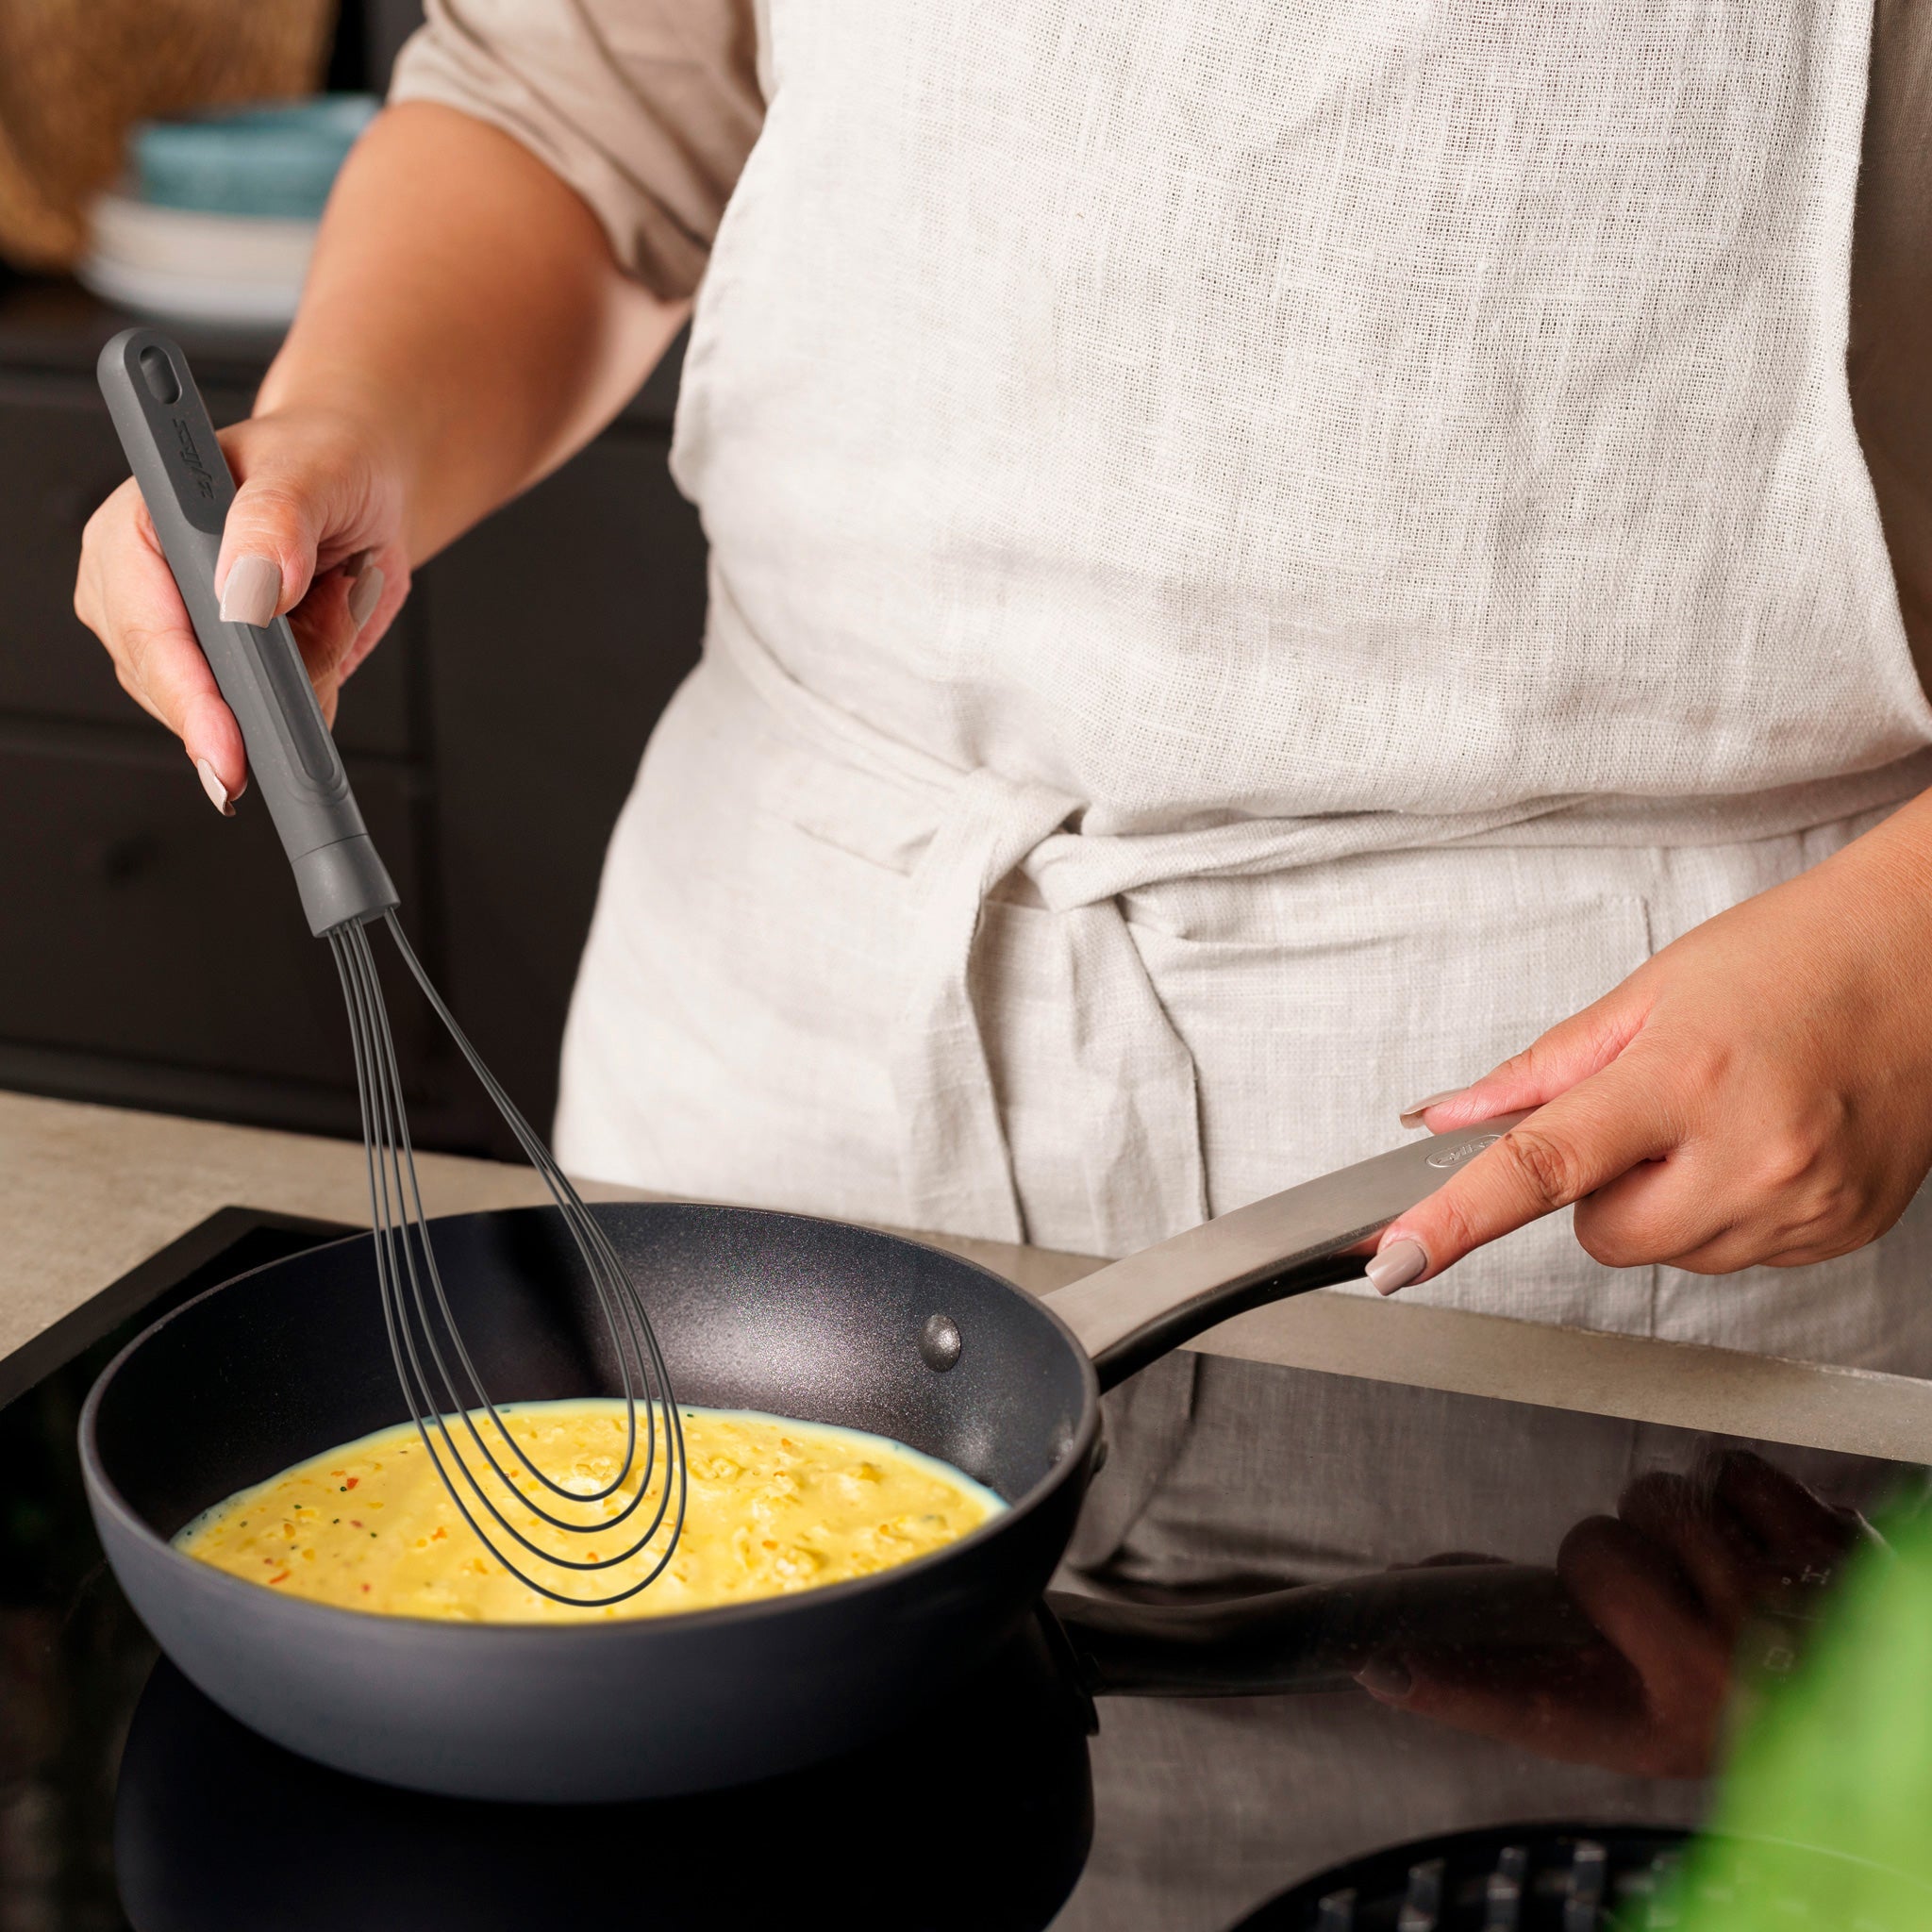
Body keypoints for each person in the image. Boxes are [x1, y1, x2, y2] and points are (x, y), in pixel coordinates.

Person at [75, 0, 1932, 1374]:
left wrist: (1904, 958)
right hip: (783, 1052)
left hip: (1621, 1147)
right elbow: (580, 112)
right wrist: (344, 427)